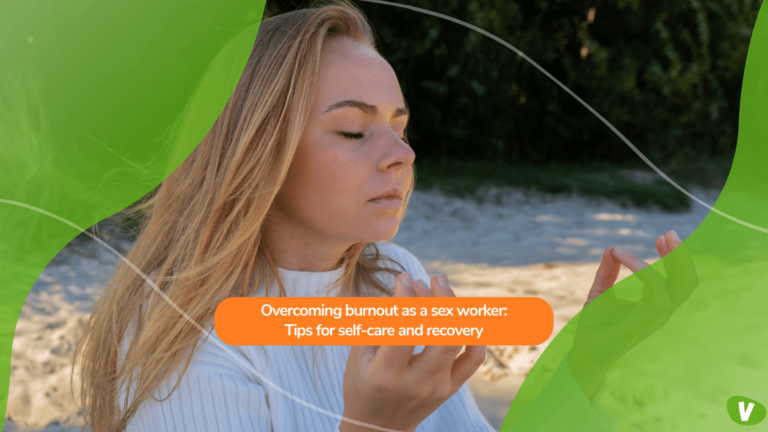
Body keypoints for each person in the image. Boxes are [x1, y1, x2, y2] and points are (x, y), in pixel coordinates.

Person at [73, 1, 688, 431]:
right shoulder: (182, 347)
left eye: (399, 128)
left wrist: (587, 361)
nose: (402, 156)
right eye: (352, 129)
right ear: (255, 155)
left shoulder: (391, 276)